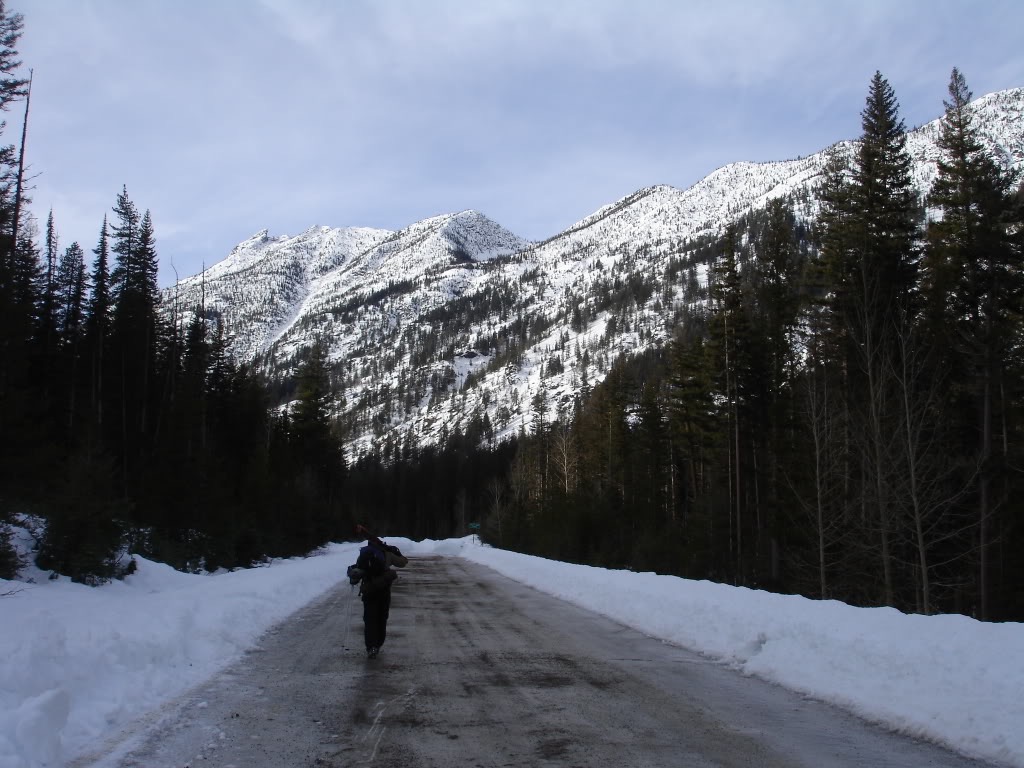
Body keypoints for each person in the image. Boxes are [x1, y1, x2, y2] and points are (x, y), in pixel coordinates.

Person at [348, 535, 408, 658]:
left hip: (368, 590)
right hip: (383, 590)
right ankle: (378, 644)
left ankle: (371, 647)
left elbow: (359, 568)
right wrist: (396, 552)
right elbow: (403, 563)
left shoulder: (364, 554)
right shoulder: (386, 553)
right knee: (382, 618)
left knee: (369, 619)